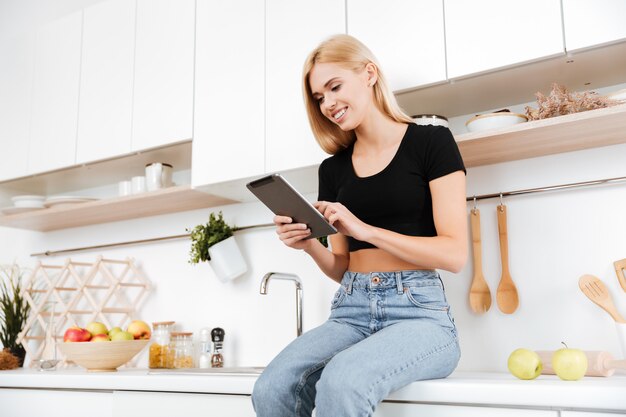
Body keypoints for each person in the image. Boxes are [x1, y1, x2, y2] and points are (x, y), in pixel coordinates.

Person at [252, 34, 467, 417]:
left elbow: (454, 254)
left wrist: (365, 230)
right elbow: (341, 267)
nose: (328, 103)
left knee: (343, 380)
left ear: (369, 73)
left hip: (419, 314)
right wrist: (308, 245)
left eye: (334, 87)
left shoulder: (431, 142)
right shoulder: (332, 169)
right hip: (351, 308)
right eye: (319, 97)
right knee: (272, 387)